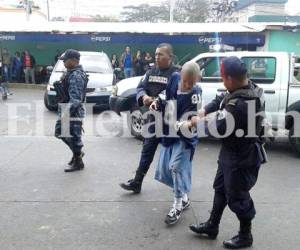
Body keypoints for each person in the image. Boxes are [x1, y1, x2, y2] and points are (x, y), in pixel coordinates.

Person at [188, 57, 266, 249]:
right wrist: (204, 110)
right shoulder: (244, 87)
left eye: (223, 78)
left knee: (238, 197)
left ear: (230, 78)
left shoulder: (242, 103)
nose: (223, 82)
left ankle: (245, 235)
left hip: (241, 156)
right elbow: (221, 98)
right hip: (231, 152)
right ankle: (212, 225)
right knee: (221, 188)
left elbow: (219, 127)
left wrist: (198, 122)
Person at [120, 43, 179, 193]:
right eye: (156, 54)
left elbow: (175, 95)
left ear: (170, 57)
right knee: (147, 151)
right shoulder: (151, 71)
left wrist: (157, 100)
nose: (157, 57)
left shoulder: (176, 74)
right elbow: (140, 88)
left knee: (174, 157)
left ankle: (181, 189)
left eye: (161, 54)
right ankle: (137, 182)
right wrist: (144, 96)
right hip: (153, 120)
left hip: (170, 122)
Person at [150, 61, 202, 225]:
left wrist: (183, 124)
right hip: (169, 131)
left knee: (176, 167)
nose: (187, 85)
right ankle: (184, 197)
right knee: (167, 168)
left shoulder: (196, 92)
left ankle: (177, 205)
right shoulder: (173, 78)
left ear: (197, 80)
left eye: (191, 82)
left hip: (185, 136)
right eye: (185, 81)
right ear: (181, 75)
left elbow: (193, 117)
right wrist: (157, 102)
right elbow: (166, 96)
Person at [54, 49, 88, 172]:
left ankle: (78, 161)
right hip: (66, 109)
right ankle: (77, 153)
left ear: (74, 61)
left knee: (73, 137)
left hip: (73, 112)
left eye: (65, 60)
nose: (63, 63)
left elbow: (76, 100)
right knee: (59, 133)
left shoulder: (76, 75)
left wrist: (65, 114)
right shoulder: (70, 72)